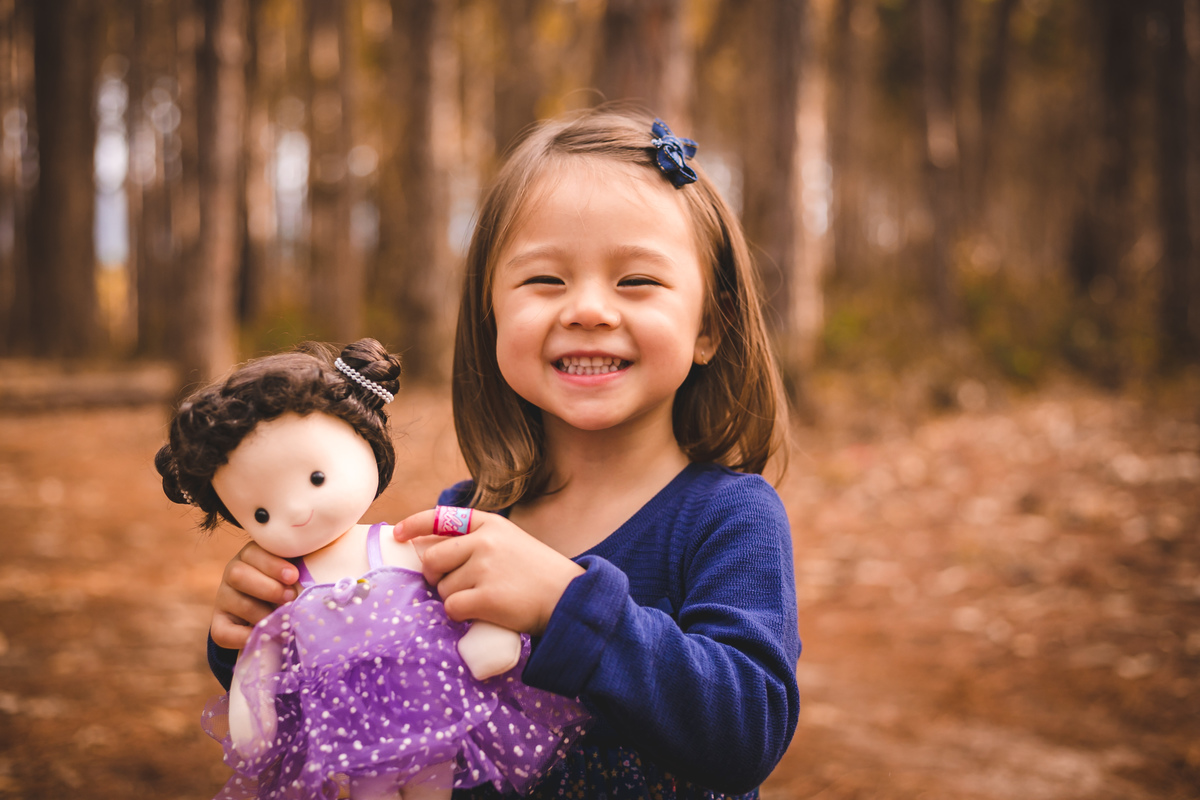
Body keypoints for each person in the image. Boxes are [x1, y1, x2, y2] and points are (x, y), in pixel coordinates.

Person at [207, 108, 801, 799]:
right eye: (545, 280)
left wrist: (565, 605)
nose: (587, 309)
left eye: (636, 281)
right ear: (490, 315)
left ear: (710, 327)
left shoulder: (730, 519)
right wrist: (262, 633)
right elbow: (376, 697)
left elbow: (746, 731)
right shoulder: (466, 517)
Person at [158, 338, 587, 800]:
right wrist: (251, 708)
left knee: (435, 780)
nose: (298, 511)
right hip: (351, 729)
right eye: (261, 513)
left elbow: (463, 583)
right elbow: (263, 655)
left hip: (433, 704)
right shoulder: (284, 583)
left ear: (366, 440)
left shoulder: (403, 544)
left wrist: (489, 632)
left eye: (317, 478)